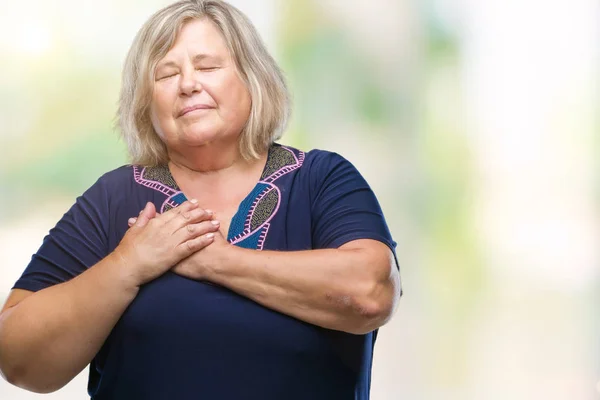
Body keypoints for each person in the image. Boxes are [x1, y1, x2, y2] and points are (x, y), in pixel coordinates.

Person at [0, 0, 401, 399]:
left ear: (252, 77)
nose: (188, 84)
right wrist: (128, 264)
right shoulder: (113, 198)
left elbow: (371, 292)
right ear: (146, 103)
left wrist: (217, 261)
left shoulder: (321, 179)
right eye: (166, 74)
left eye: (207, 66)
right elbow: (18, 358)